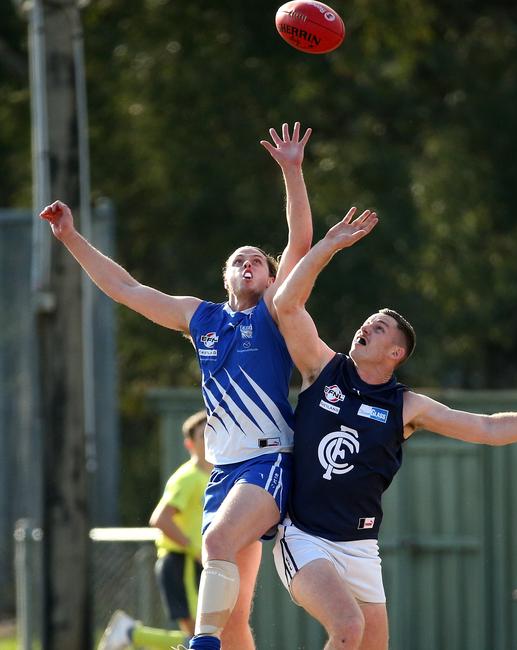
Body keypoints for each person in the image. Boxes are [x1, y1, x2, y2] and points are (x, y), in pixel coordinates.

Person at [270, 207, 517, 650]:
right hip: (304, 535)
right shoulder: (323, 369)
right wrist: (328, 246)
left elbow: (486, 428)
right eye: (369, 321)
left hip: (360, 547)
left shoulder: (406, 405)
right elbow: (286, 304)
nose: (367, 325)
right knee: (347, 628)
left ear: (395, 354)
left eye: (380, 327)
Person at [40, 121, 314, 650]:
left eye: (258, 259)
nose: (248, 261)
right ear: (225, 278)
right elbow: (125, 288)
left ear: (273, 277)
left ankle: (200, 643)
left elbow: (299, 240)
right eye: (239, 259)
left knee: (214, 546)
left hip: (268, 461)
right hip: (224, 470)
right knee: (234, 613)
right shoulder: (203, 318)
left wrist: (293, 172)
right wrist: (71, 237)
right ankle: (219, 637)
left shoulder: (277, 314)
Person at [98, 410, 212, 650]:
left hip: (196, 564)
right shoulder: (187, 478)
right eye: (203, 435)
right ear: (190, 444)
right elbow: (160, 519)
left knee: (206, 635)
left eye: (213, 432)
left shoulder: (213, 476)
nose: (210, 439)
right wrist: (194, 550)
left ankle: (130, 633)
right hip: (183, 563)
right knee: (201, 637)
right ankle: (131, 634)